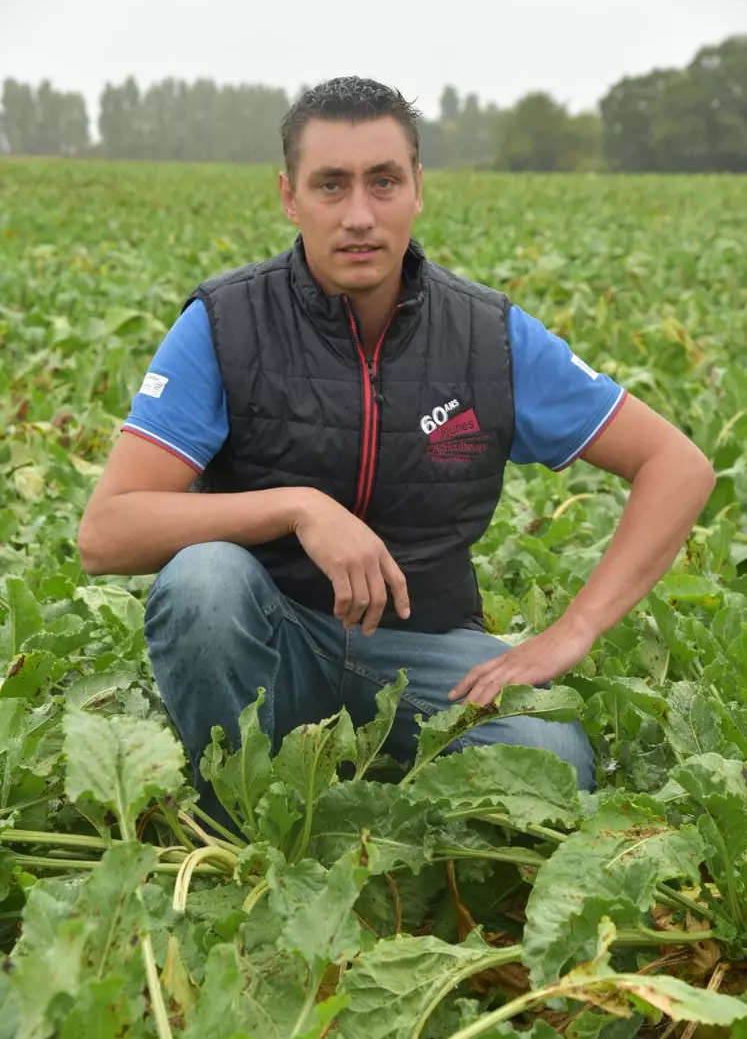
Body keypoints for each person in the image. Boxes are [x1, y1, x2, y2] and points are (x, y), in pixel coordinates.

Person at [78, 76, 715, 811]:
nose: (358, 215)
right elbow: (106, 532)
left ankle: (363, 779)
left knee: (553, 761)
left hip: (427, 651)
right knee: (204, 582)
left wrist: (575, 628)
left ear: (417, 188)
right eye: (330, 185)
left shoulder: (487, 337)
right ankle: (242, 817)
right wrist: (297, 508)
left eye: (382, 182)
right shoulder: (225, 324)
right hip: (270, 638)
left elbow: (678, 465)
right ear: (289, 196)